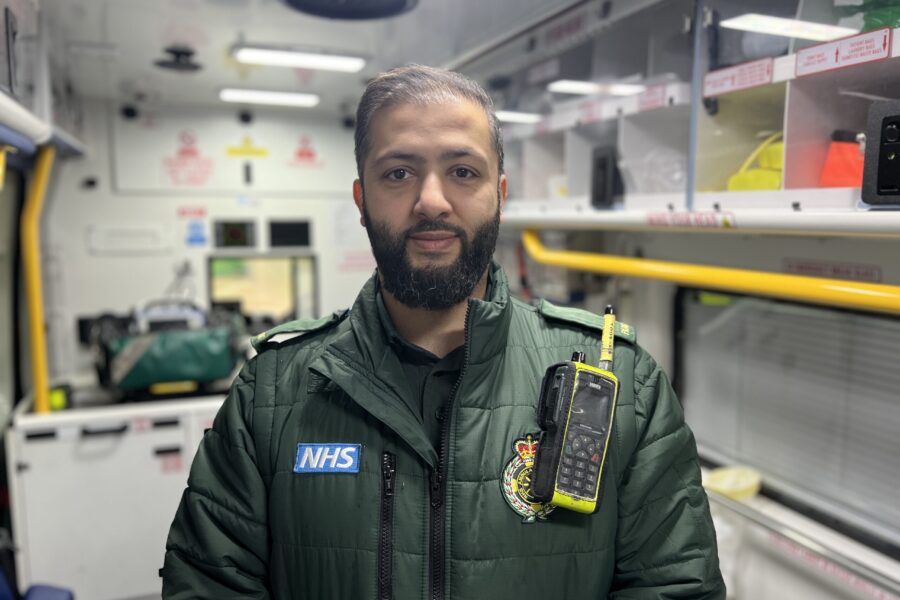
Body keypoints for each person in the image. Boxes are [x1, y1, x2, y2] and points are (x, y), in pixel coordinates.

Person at [162, 64, 726, 599]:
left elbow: (675, 585)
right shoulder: (271, 390)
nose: (431, 200)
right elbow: (210, 582)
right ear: (362, 200)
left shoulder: (623, 384)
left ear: (499, 195)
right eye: (398, 173)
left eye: (462, 171)